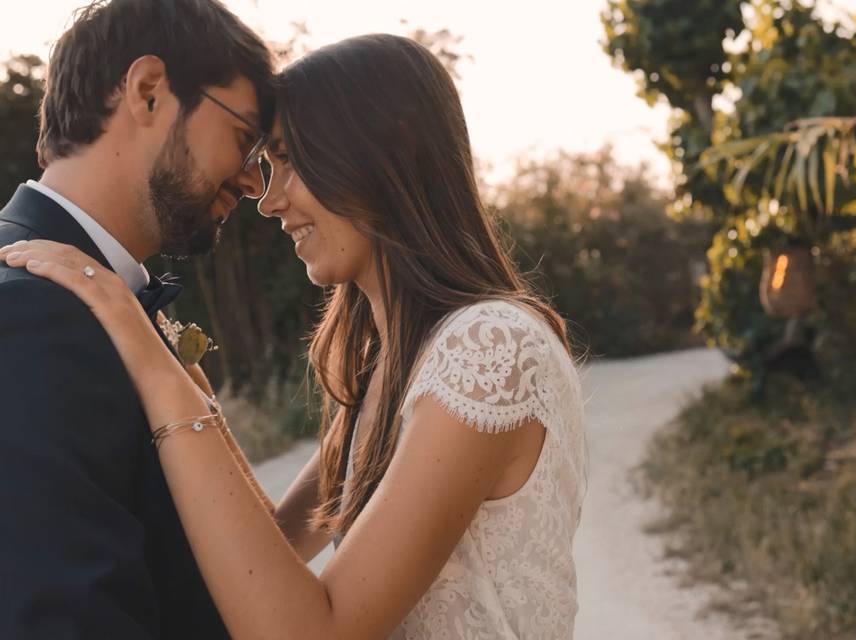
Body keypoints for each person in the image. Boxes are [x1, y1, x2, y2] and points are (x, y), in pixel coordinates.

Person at [1, 34, 588, 639]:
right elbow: (268, 559)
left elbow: (313, 630)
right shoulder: (389, 364)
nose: (269, 199)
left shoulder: (489, 348)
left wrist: (143, 344)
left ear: (373, 157)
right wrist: (192, 397)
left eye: (288, 162)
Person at [0, 1, 274, 637]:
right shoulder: (30, 313)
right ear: (149, 92)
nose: (255, 182)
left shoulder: (86, 297)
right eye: (244, 140)